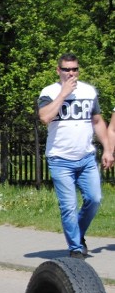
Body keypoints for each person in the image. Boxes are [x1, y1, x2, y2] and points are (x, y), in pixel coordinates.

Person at [37, 52, 115, 258]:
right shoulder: (50, 92)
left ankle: (77, 235)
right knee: (69, 207)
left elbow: (97, 122)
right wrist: (63, 94)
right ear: (58, 71)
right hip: (60, 159)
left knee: (95, 198)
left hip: (86, 157)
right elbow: (45, 117)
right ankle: (75, 249)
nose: (71, 73)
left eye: (74, 69)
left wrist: (107, 149)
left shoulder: (88, 91)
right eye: (66, 70)